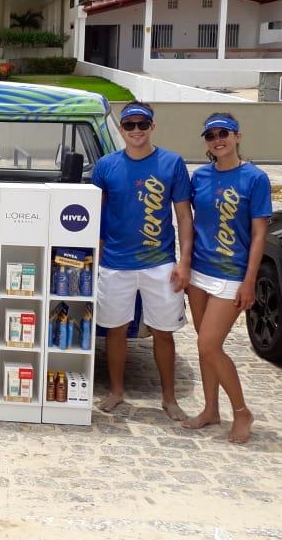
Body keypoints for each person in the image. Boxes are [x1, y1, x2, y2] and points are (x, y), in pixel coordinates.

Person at [92, 101, 193, 419]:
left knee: (163, 332)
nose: (136, 131)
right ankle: (117, 392)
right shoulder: (106, 165)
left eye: (142, 125)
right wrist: (95, 254)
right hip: (114, 263)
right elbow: (96, 214)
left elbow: (183, 215)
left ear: (152, 127)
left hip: (159, 262)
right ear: (121, 129)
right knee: (115, 330)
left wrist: (184, 260)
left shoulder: (172, 162)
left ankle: (169, 398)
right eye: (130, 125)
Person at [181, 113, 270, 444]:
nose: (217, 139)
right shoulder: (200, 177)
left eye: (223, 133)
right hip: (200, 272)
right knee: (205, 348)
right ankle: (210, 410)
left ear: (237, 136)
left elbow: (259, 236)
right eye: (210, 135)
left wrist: (250, 282)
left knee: (209, 344)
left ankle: (242, 411)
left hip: (232, 275)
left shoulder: (254, 178)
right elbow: (186, 218)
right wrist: (185, 263)